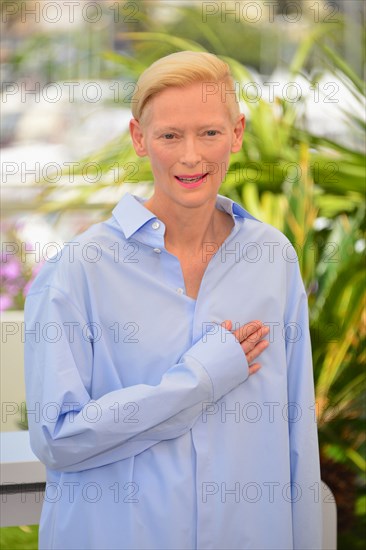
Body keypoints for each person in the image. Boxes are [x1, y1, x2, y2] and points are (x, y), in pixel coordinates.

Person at [24, 51, 322, 550]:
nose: (191, 156)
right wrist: (198, 381)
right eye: (169, 135)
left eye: (209, 132)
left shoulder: (273, 258)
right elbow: (57, 438)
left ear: (237, 133)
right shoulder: (80, 270)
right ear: (139, 138)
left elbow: (298, 435)